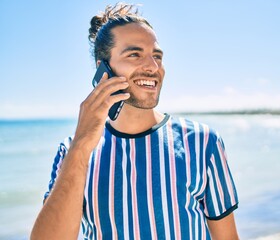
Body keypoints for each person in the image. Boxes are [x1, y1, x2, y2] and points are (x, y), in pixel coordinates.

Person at [31, 3, 239, 240]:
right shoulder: (72, 151)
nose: (153, 67)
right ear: (104, 70)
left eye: (157, 56)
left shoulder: (203, 142)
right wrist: (81, 146)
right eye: (134, 54)